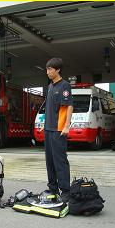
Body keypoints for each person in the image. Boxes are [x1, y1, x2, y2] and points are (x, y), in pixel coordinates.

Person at [44, 58, 73, 203]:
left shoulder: (64, 85)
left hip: (58, 129)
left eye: (50, 69)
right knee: (49, 161)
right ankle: (53, 189)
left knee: (60, 161)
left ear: (58, 70)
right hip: (48, 129)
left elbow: (69, 106)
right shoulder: (50, 86)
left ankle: (65, 191)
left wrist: (67, 125)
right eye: (47, 69)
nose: (48, 72)